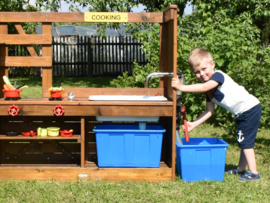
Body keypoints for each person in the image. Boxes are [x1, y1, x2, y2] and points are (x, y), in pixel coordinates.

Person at [171, 48, 261, 182]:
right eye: (197, 72)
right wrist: (193, 124)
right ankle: (241, 169)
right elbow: (209, 111)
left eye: (204, 69)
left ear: (212, 64)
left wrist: (181, 87)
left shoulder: (218, 76)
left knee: (245, 141)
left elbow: (203, 87)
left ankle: (253, 173)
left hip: (249, 109)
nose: (202, 74)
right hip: (243, 112)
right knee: (243, 139)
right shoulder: (210, 92)